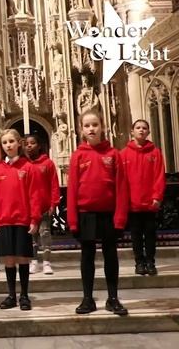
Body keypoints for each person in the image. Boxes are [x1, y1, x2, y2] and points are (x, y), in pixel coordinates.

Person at [68, 110, 129, 316]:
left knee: (111, 256)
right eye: (87, 126)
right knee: (87, 257)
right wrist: (73, 220)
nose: (91, 129)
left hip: (109, 214)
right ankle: (87, 298)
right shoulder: (78, 155)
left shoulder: (113, 155)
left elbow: (121, 188)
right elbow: (73, 189)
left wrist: (120, 218)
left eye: (95, 124)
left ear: (102, 127)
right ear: (81, 130)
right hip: (86, 214)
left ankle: (113, 298)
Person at [0, 129, 41, 311]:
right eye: (5, 142)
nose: (8, 145)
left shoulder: (28, 168)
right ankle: (11, 295)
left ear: (19, 143)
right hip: (4, 220)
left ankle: (24, 295)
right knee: (9, 259)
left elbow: (34, 196)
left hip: (22, 220)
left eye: (12, 141)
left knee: (22, 258)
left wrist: (34, 219)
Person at [121, 119, 166, 275]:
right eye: (138, 128)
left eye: (144, 128)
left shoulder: (155, 153)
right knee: (136, 235)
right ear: (132, 131)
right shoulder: (124, 154)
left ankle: (151, 262)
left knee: (150, 234)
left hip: (150, 202)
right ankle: (139, 262)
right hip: (132, 203)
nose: (141, 130)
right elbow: (122, 180)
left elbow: (159, 176)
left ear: (148, 132)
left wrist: (157, 196)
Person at [24, 134, 60, 275]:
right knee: (31, 236)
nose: (29, 146)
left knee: (45, 234)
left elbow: (54, 184)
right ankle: (33, 262)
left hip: (44, 206)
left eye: (32, 143)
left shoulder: (47, 163)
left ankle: (46, 262)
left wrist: (54, 203)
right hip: (28, 207)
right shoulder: (24, 164)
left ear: (39, 145)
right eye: (26, 143)